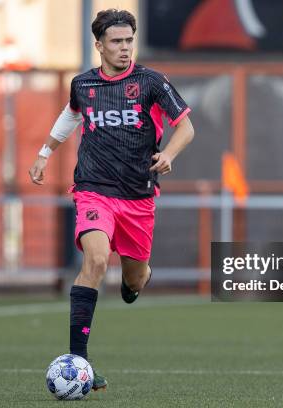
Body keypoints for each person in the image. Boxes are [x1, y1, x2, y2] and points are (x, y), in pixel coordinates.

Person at [29, 8, 194, 391]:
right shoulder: (83, 84)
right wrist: (44, 152)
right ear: (99, 45)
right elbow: (72, 115)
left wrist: (168, 154)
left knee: (134, 278)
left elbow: (185, 125)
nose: (124, 48)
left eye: (128, 41)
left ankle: (137, 282)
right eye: (117, 42)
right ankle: (78, 363)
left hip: (138, 197)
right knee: (97, 259)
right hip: (93, 189)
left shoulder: (151, 82)